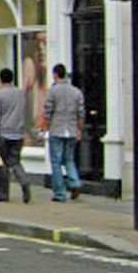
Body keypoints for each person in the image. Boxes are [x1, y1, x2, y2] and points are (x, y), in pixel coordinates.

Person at [0, 67, 31, 203]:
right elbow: (25, 113)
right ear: (12, 79)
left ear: (1, 80)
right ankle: (24, 181)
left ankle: (3, 194)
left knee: (2, 165)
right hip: (18, 134)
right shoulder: (21, 93)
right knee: (16, 162)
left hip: (3, 134)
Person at [42, 63, 84, 202]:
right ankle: (75, 182)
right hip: (71, 130)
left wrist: (45, 127)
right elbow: (81, 113)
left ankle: (59, 193)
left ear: (55, 74)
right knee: (69, 159)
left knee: (56, 162)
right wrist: (79, 129)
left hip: (57, 129)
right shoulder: (76, 92)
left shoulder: (52, 91)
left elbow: (48, 111)